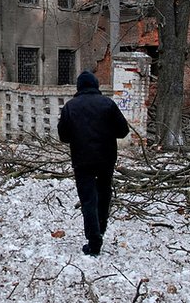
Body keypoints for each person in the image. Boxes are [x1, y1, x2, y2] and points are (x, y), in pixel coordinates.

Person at [57, 70, 129, 256]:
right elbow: (123, 131)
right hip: (106, 159)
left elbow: (63, 136)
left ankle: (93, 238)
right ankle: (101, 229)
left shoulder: (70, 107)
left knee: (88, 199)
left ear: (79, 87)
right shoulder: (108, 104)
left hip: (82, 160)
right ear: (96, 85)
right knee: (103, 195)